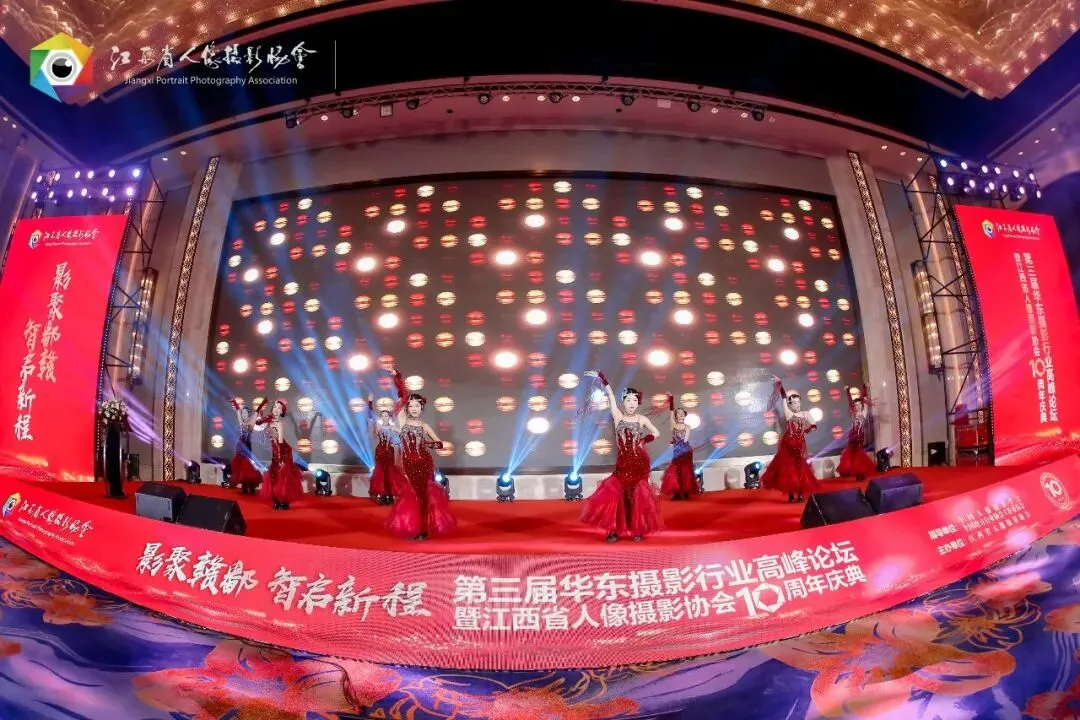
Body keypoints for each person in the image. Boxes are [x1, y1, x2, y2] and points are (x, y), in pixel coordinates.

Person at [580, 370, 664, 542]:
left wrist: (645, 439)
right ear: (623, 402)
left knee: (637, 496)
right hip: (623, 463)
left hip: (639, 462)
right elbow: (611, 397)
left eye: (635, 400)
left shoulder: (641, 419)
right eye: (628, 400)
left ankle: (638, 528)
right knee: (618, 495)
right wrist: (604, 380)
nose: (632, 403)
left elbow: (657, 432)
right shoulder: (618, 416)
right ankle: (614, 530)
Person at [385, 368, 456, 540]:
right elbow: (402, 395)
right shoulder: (402, 420)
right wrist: (397, 377)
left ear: (421, 407)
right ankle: (416, 527)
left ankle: (422, 529)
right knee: (414, 493)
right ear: (407, 408)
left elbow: (439, 443)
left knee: (423, 495)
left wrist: (427, 443)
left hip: (424, 462)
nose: (414, 408)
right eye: (411, 405)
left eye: (417, 405)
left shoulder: (424, 426)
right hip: (408, 462)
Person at [761, 375, 822, 503]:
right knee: (788, 469)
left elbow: (814, 425)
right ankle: (790, 494)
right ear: (790, 404)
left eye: (798, 402)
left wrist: (803, 432)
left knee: (800, 467)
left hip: (800, 444)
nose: (797, 404)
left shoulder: (805, 413)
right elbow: (783, 397)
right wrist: (780, 384)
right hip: (787, 444)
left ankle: (800, 493)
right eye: (794, 403)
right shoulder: (789, 413)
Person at [254, 399, 306, 510]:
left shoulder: (279, 423)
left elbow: (280, 442)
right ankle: (277, 500)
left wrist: (279, 456)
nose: (276, 409)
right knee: (274, 475)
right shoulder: (268, 421)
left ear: (282, 411)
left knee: (283, 475)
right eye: (275, 407)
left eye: (279, 408)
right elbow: (256, 423)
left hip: (283, 451)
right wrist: (260, 409)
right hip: (275, 451)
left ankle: (284, 501)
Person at [660, 394, 699, 500]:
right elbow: (671, 412)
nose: (681, 415)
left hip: (686, 450)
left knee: (686, 470)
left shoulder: (687, 426)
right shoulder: (673, 425)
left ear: (684, 415)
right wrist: (671, 400)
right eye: (679, 413)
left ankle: (686, 492)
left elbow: (685, 440)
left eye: (682, 413)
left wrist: (675, 442)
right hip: (677, 450)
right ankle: (677, 492)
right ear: (676, 416)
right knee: (675, 469)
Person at [367, 394, 403, 505]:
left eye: (386, 416)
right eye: (382, 416)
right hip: (381, 451)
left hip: (390, 452)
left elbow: (401, 434)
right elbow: (371, 416)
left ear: (389, 417)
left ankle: (390, 495)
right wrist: (370, 403)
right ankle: (383, 495)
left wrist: (395, 442)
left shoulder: (392, 427)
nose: (384, 417)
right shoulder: (378, 427)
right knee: (381, 473)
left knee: (390, 473)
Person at [838, 386, 876, 482]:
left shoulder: (864, 413)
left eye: (858, 404)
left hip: (859, 436)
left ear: (861, 405)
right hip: (852, 436)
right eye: (855, 405)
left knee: (859, 453)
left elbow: (864, 398)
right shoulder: (853, 414)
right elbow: (850, 402)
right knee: (851, 453)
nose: (857, 406)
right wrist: (847, 391)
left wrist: (864, 388)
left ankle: (860, 472)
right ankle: (851, 472)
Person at [229, 398, 264, 495]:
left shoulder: (251, 424)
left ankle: (251, 487)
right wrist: (234, 403)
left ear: (249, 414)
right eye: (243, 413)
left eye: (245, 413)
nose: (243, 414)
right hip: (239, 447)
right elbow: (237, 412)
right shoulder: (241, 422)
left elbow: (256, 413)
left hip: (247, 448)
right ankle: (244, 487)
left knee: (248, 467)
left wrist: (262, 404)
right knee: (241, 467)